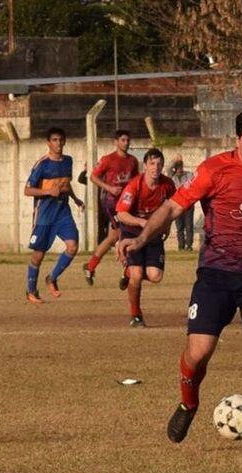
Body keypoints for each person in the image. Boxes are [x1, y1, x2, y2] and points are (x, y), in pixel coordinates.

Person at [117, 106, 242, 453]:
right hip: (217, 273)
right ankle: (189, 403)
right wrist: (140, 240)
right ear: (236, 140)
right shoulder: (213, 170)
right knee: (198, 353)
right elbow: (171, 208)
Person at [116, 148, 176, 327]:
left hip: (153, 234)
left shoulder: (168, 185)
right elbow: (121, 214)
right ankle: (136, 315)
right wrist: (142, 223)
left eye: (159, 164)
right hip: (132, 233)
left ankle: (128, 271)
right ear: (145, 166)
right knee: (137, 274)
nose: (155, 168)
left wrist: (166, 225)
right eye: (152, 163)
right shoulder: (135, 185)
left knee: (155, 275)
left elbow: (174, 208)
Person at [24, 127, 85, 304]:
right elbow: (27, 190)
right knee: (38, 255)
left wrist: (75, 199)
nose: (58, 143)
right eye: (55, 140)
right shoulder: (41, 164)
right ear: (48, 143)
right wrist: (48, 191)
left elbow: (65, 184)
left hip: (62, 212)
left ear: (64, 141)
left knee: (73, 246)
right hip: (44, 215)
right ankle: (31, 291)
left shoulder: (68, 161)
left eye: (61, 140)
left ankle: (52, 278)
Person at [82, 130, 139, 288]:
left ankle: (90, 266)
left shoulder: (132, 161)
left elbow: (135, 180)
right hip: (110, 202)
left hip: (125, 203)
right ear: (116, 142)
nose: (126, 143)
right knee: (122, 234)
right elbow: (93, 176)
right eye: (123, 140)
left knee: (113, 237)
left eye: (128, 140)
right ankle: (127, 271)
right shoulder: (108, 159)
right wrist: (109, 187)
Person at [168, 154, 195, 251]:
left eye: (180, 168)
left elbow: (195, 180)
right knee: (179, 226)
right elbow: (169, 169)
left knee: (189, 225)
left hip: (188, 204)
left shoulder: (188, 175)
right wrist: (175, 160)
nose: (179, 170)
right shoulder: (172, 177)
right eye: (177, 168)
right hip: (177, 205)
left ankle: (189, 245)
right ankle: (181, 245)